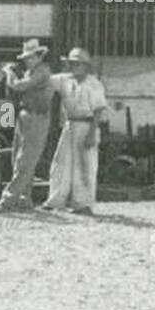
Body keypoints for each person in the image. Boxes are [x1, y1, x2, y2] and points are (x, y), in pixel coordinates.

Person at [42, 47, 108, 215]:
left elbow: (98, 109)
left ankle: (83, 204)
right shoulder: (63, 80)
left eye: (78, 64)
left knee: (85, 166)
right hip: (70, 124)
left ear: (86, 66)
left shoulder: (94, 84)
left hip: (87, 125)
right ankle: (56, 200)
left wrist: (92, 133)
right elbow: (44, 80)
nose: (75, 67)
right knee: (61, 162)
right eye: (72, 63)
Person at [0, 38, 54, 213]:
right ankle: (24, 198)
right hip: (26, 115)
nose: (28, 60)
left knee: (25, 160)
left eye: (31, 57)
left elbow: (19, 87)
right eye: (26, 57)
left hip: (36, 117)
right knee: (19, 159)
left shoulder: (41, 71)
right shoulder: (31, 71)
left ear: (40, 56)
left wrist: (9, 72)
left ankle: (8, 199)